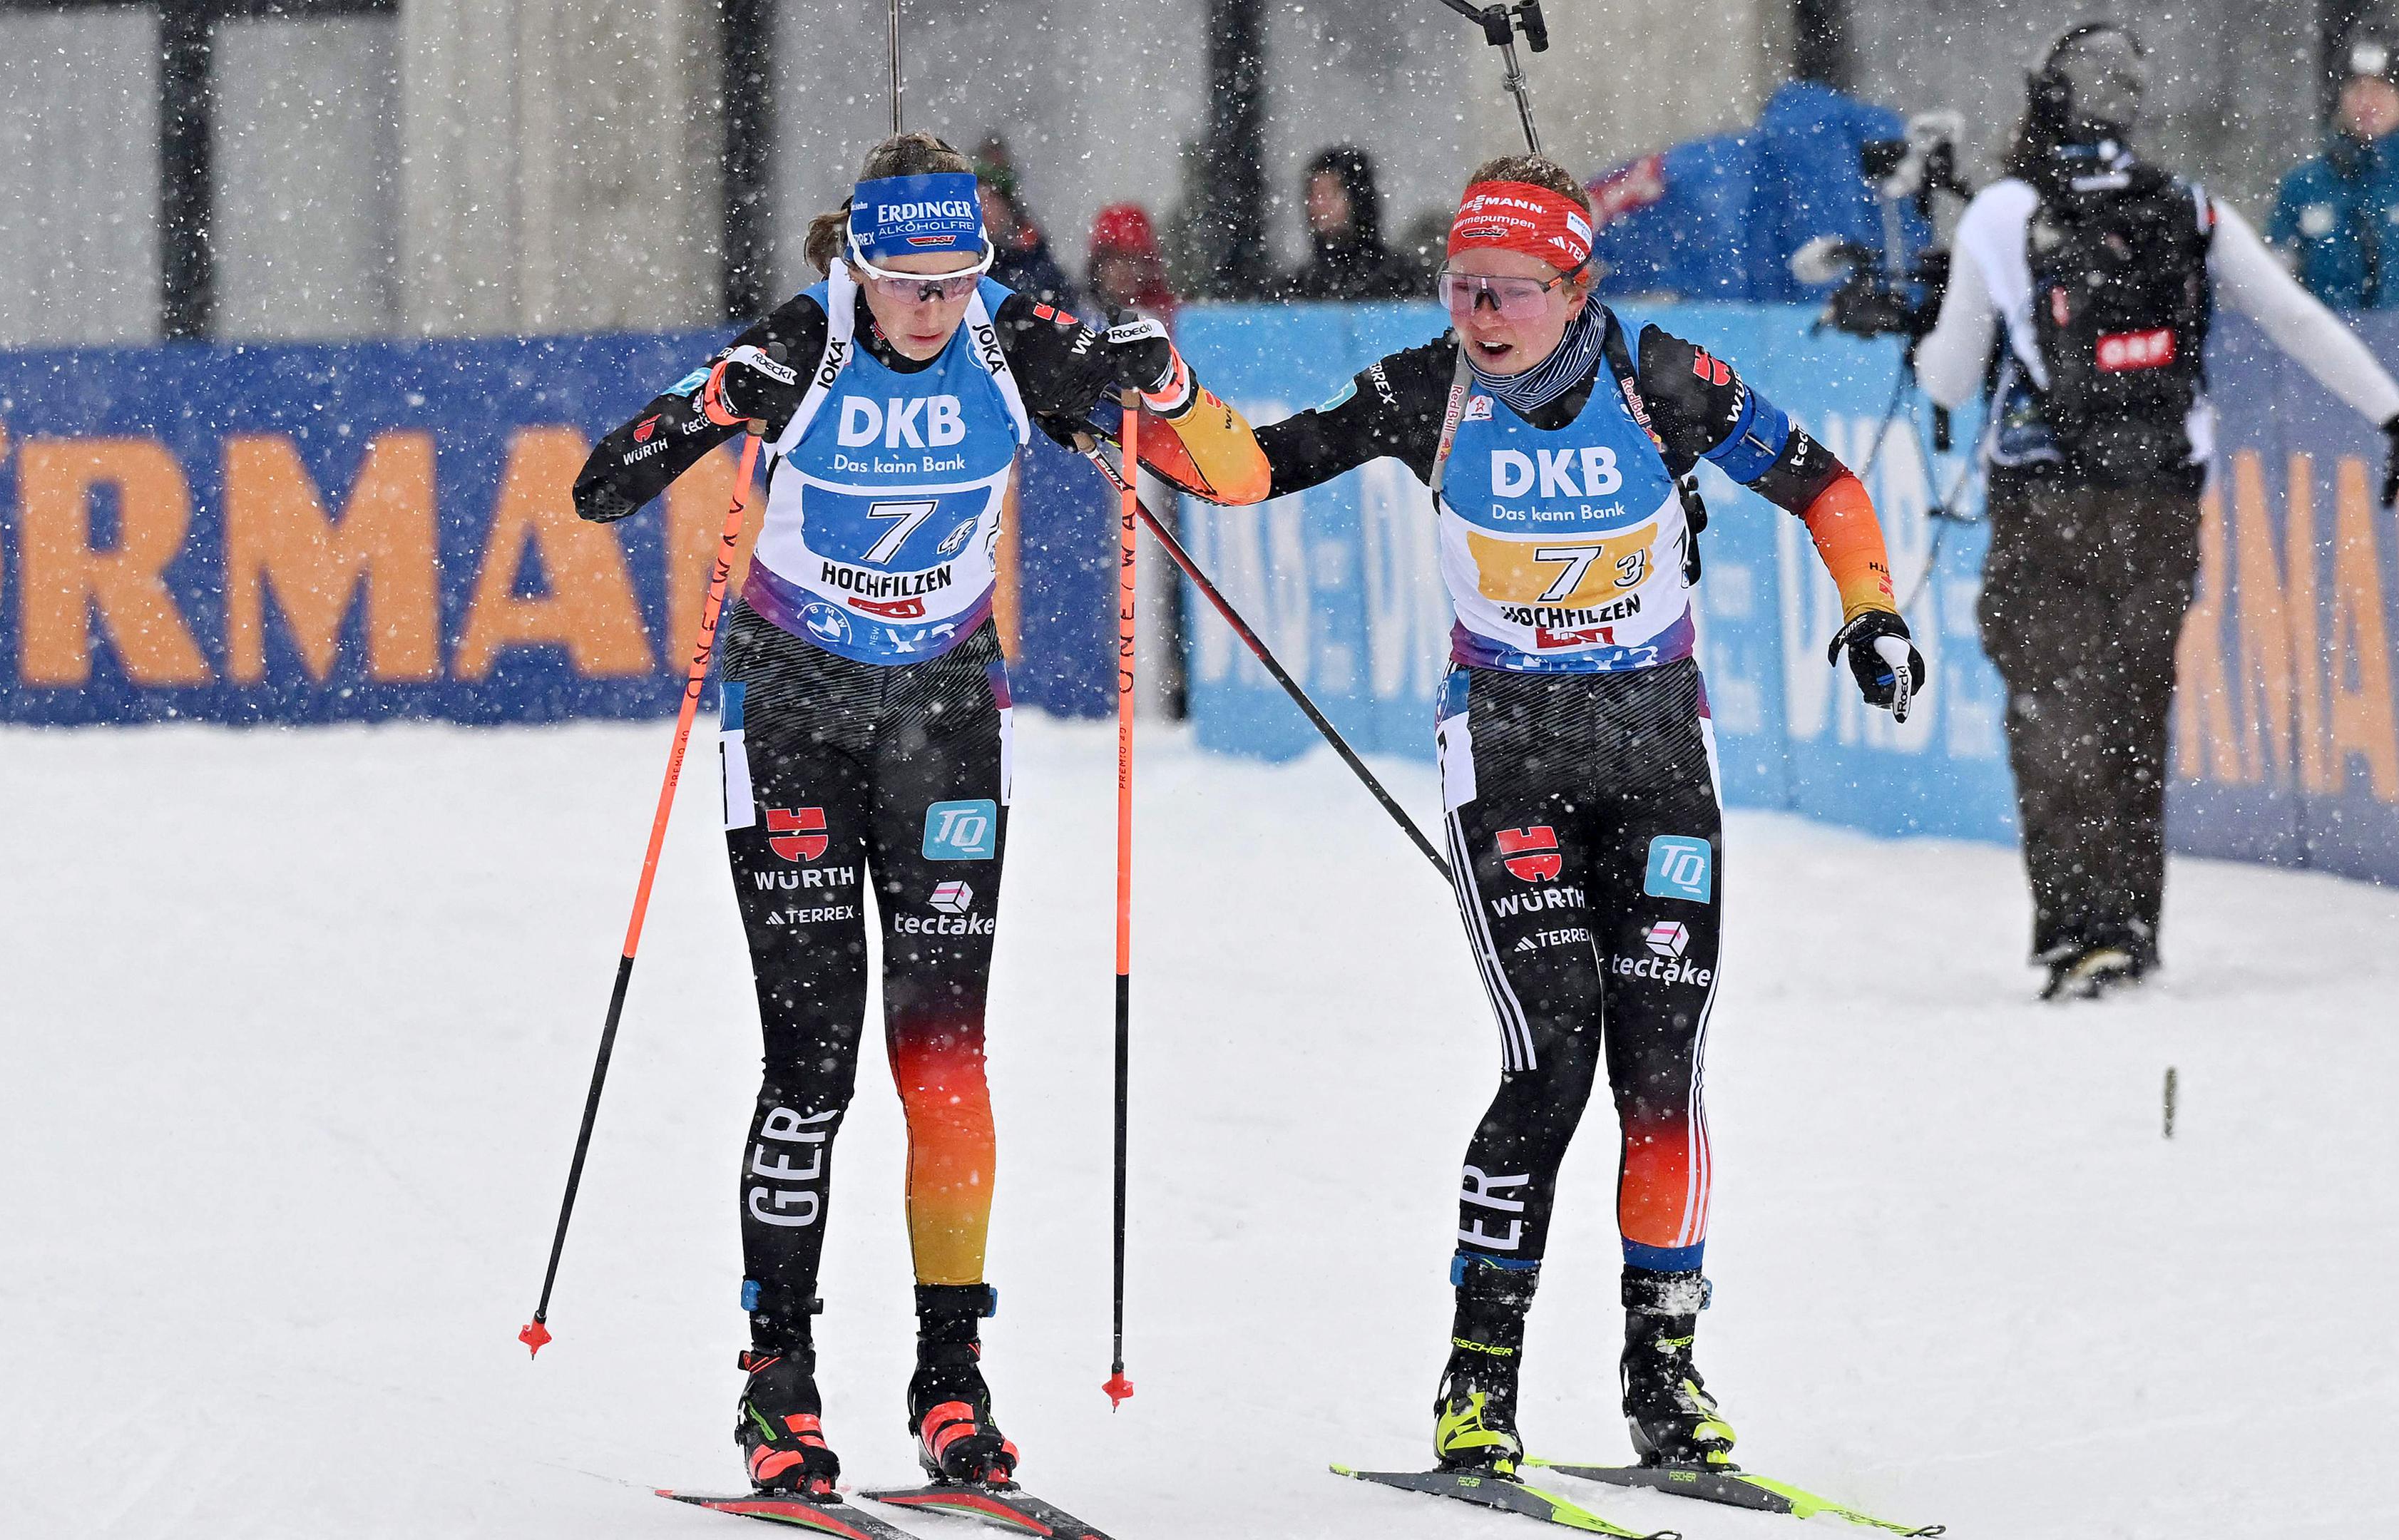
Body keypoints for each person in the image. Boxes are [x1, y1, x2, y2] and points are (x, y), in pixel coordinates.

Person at [1145, 154, 1923, 1479]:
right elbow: (1241, 474)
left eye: (1509, 290)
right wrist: (1155, 396)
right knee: (1553, 1054)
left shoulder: (1664, 380)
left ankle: (1666, 1379)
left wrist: (1873, 609)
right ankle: (1479, 1383)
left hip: (1657, 747)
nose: (1480, 316)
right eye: (1460, 288)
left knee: (1662, 1070)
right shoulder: (1424, 390)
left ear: (1576, 288)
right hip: (1505, 746)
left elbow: (1826, 487)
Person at [567, 130, 1252, 1500]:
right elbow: (604, 483)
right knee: (809, 1067)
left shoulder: (1019, 338)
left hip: (943, 721)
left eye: (957, 280)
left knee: (943, 1065)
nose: (934, 309)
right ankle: (780, 1385)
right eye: (906, 284)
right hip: (795, 719)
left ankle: (952, 1383)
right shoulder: (807, 341)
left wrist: (1158, 377)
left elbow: (1227, 475)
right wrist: (712, 402)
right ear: (856, 267)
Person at [1912, 21, 2399, 1000]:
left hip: (2046, 500)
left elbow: (1947, 383)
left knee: (2054, 714)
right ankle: (2131, 927)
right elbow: (2292, 317)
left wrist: (1931, 332)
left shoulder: (2001, 213)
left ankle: (2081, 933)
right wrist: (2397, 417)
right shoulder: (2185, 207)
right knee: (2131, 709)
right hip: (2162, 496)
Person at [2267, 24, 2399, 313]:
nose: (2367, 102)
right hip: (2323, 354)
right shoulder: (2303, 187)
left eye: (2381, 88)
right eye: (2356, 88)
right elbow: (2271, 296)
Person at [1279, 145, 1431, 301]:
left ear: (1357, 199)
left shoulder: (1404, 280)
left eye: (1331, 194)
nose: (1319, 205)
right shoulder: (1298, 288)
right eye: (1313, 195)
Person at [973, 148, 1075, 307]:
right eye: (977, 198)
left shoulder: (1033, 258)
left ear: (1007, 205)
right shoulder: (962, 256)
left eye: (990, 198)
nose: (982, 208)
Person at [1085, 203, 1180, 330]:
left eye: (1132, 258)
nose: (1123, 269)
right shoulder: (1078, 318)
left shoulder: (1173, 322)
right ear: (1098, 264)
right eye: (1115, 258)